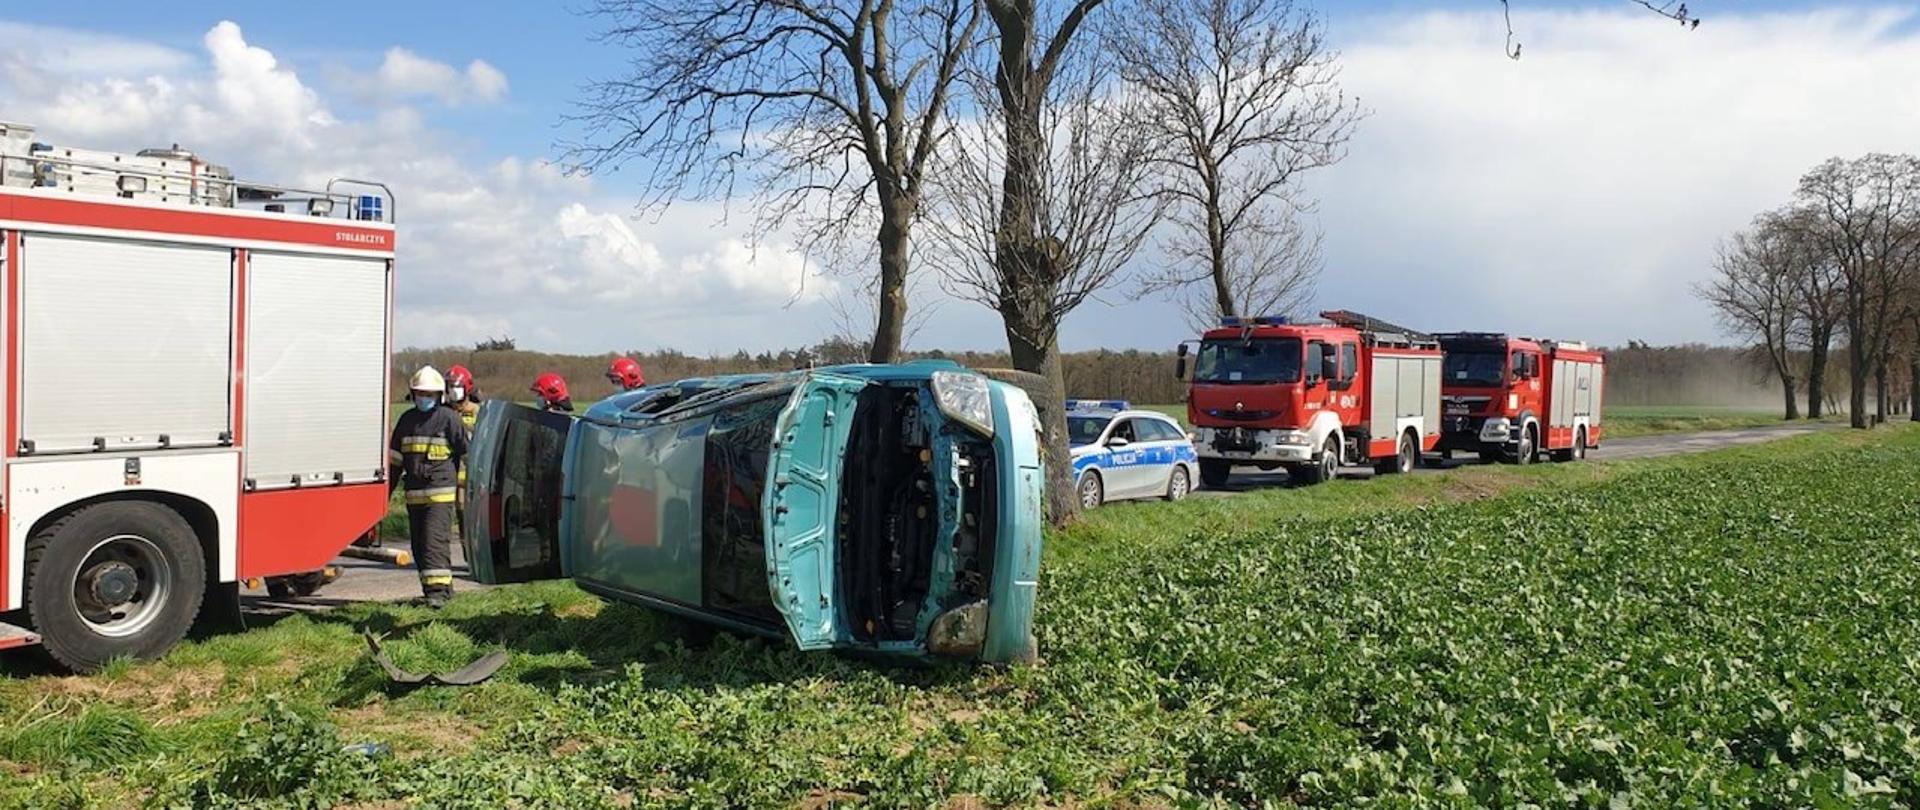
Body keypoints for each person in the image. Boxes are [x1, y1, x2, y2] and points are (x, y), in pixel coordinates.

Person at [389, 365, 468, 607]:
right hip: (414, 496)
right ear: (413, 394)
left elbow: (467, 453)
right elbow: (394, 462)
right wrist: (385, 496)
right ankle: (437, 590)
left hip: (440, 496)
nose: (425, 398)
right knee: (419, 546)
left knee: (434, 542)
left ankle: (438, 595)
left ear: (439, 395)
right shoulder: (406, 420)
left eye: (430, 394)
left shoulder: (449, 419)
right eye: (421, 394)